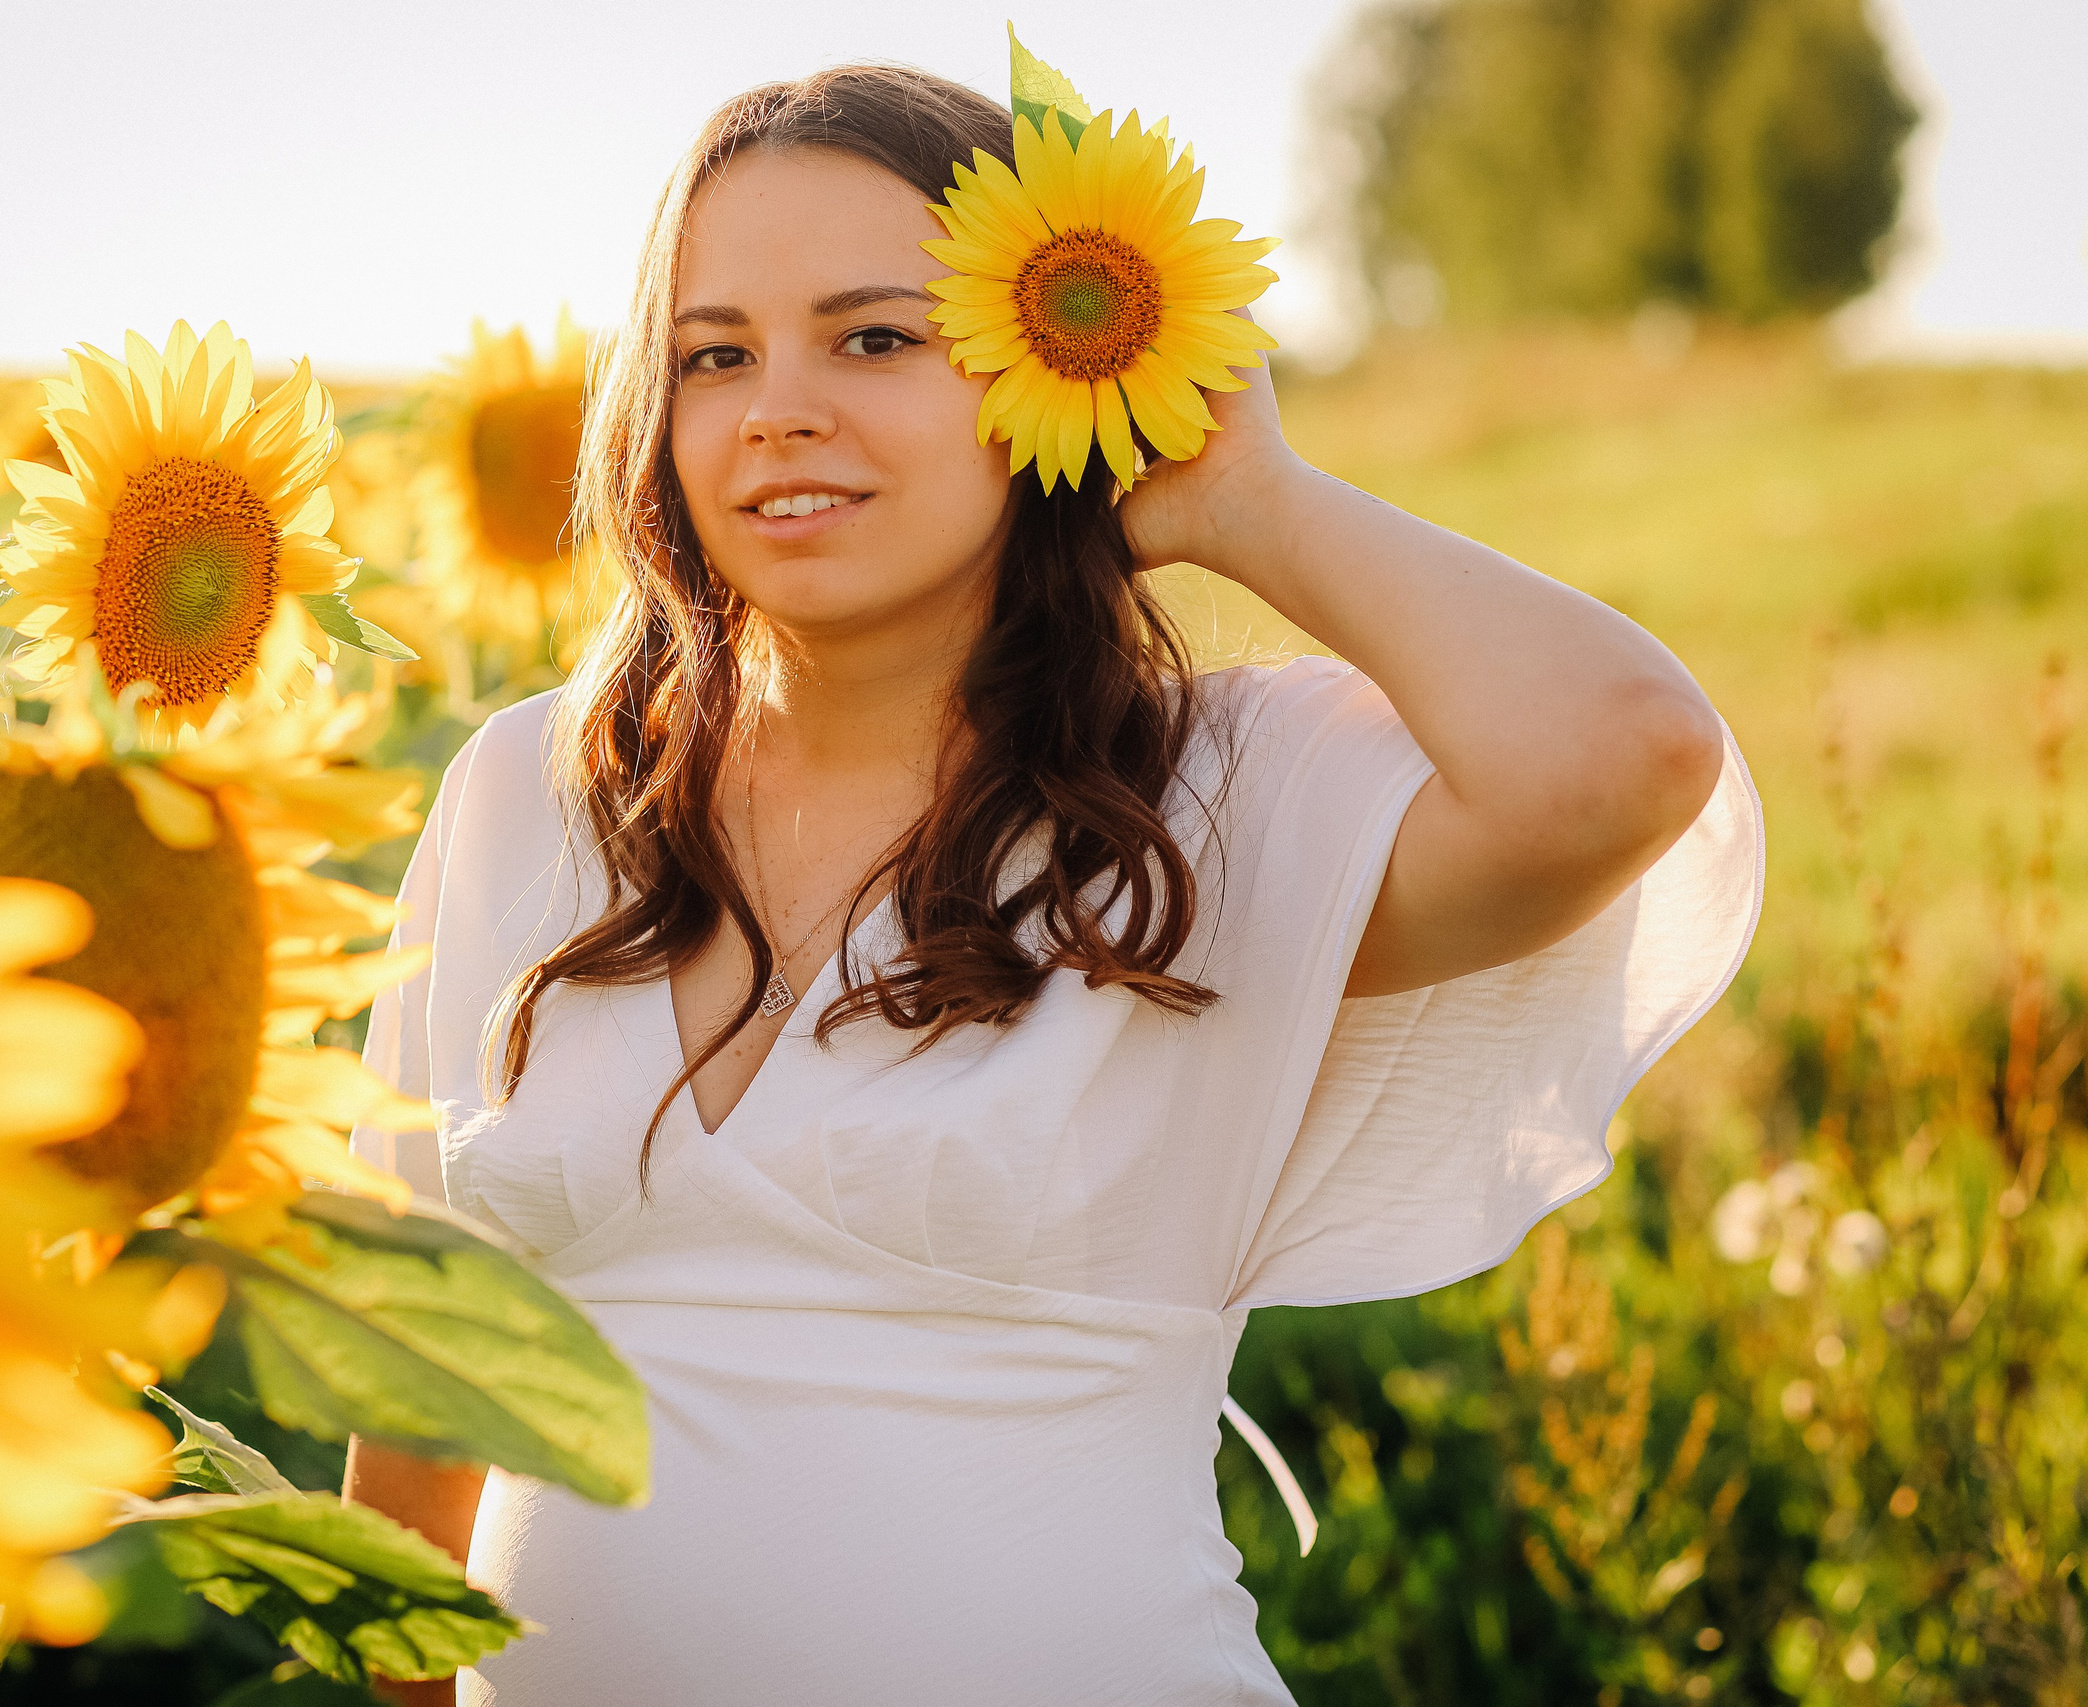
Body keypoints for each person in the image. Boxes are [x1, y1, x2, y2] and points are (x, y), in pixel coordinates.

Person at [345, 63, 1763, 1707]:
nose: (776, 409)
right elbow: (421, 1376)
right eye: (712, 355)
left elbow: (1626, 756)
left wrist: (1250, 502)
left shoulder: (1200, 805)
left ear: (1047, 369)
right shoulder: (532, 791)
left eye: (875, 338)